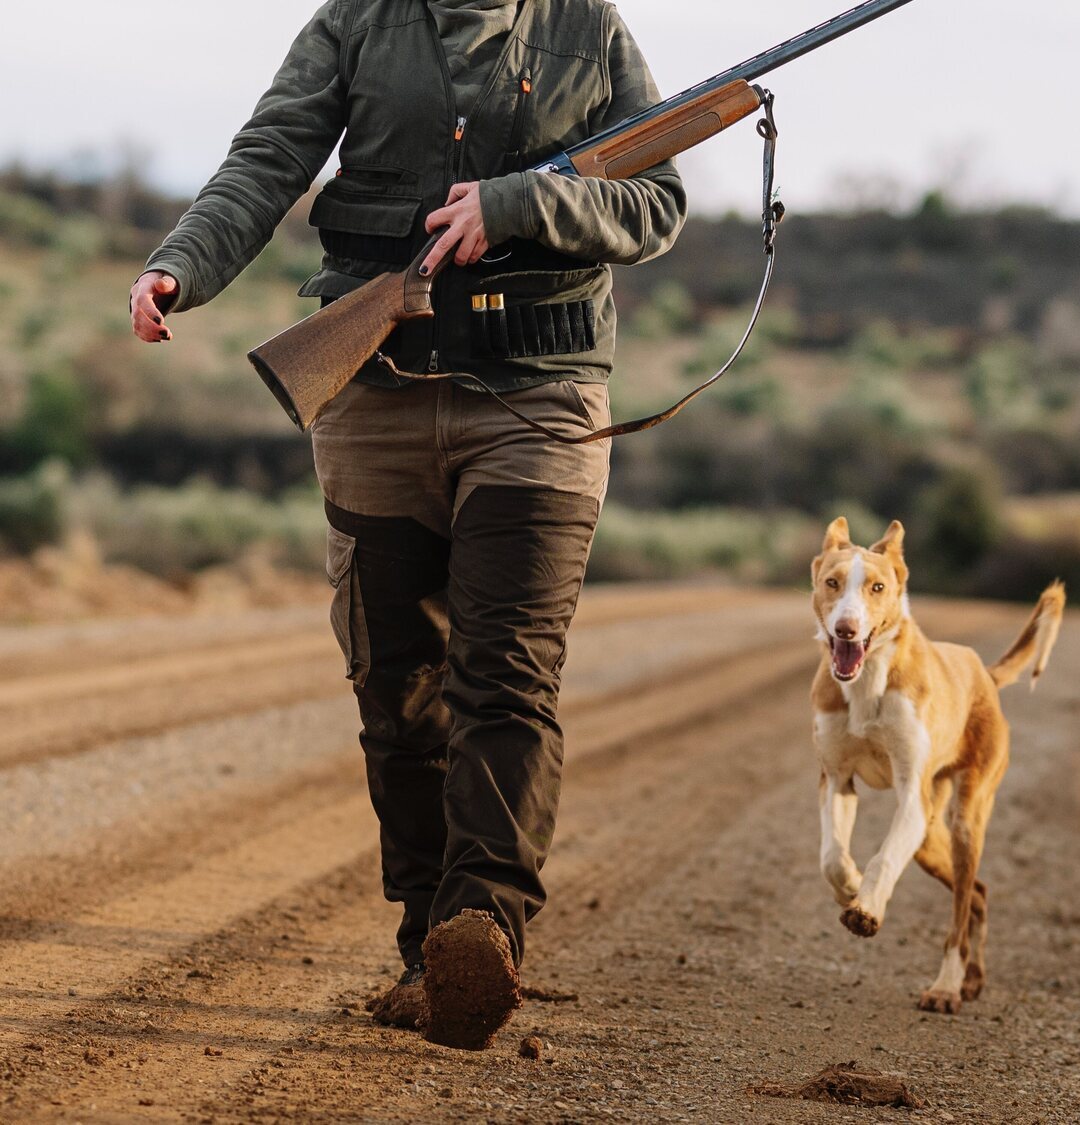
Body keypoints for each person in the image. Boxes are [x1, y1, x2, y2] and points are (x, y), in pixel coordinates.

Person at [128, 0, 685, 1050]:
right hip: (376, 387)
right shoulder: (354, 22)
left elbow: (655, 205)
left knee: (506, 675)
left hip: (542, 398)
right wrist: (181, 265)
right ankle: (428, 943)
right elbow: (268, 157)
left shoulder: (591, 25)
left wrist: (520, 207)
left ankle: (484, 930)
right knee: (397, 685)